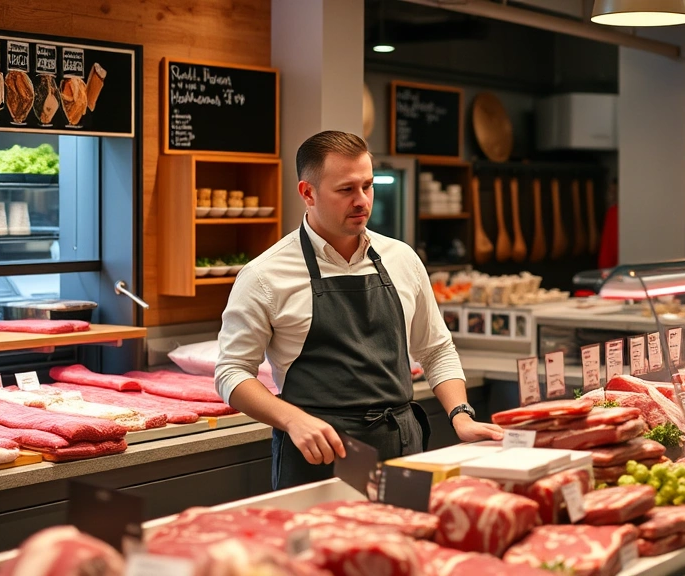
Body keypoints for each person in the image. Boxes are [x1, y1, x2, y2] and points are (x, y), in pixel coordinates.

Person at [215, 131, 503, 490]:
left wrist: (461, 414)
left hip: (402, 447)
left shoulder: (402, 259)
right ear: (307, 193)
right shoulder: (264, 275)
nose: (362, 201)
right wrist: (292, 420)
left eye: (368, 186)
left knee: (406, 543)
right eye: (346, 190)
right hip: (319, 456)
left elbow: (435, 349)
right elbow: (231, 372)